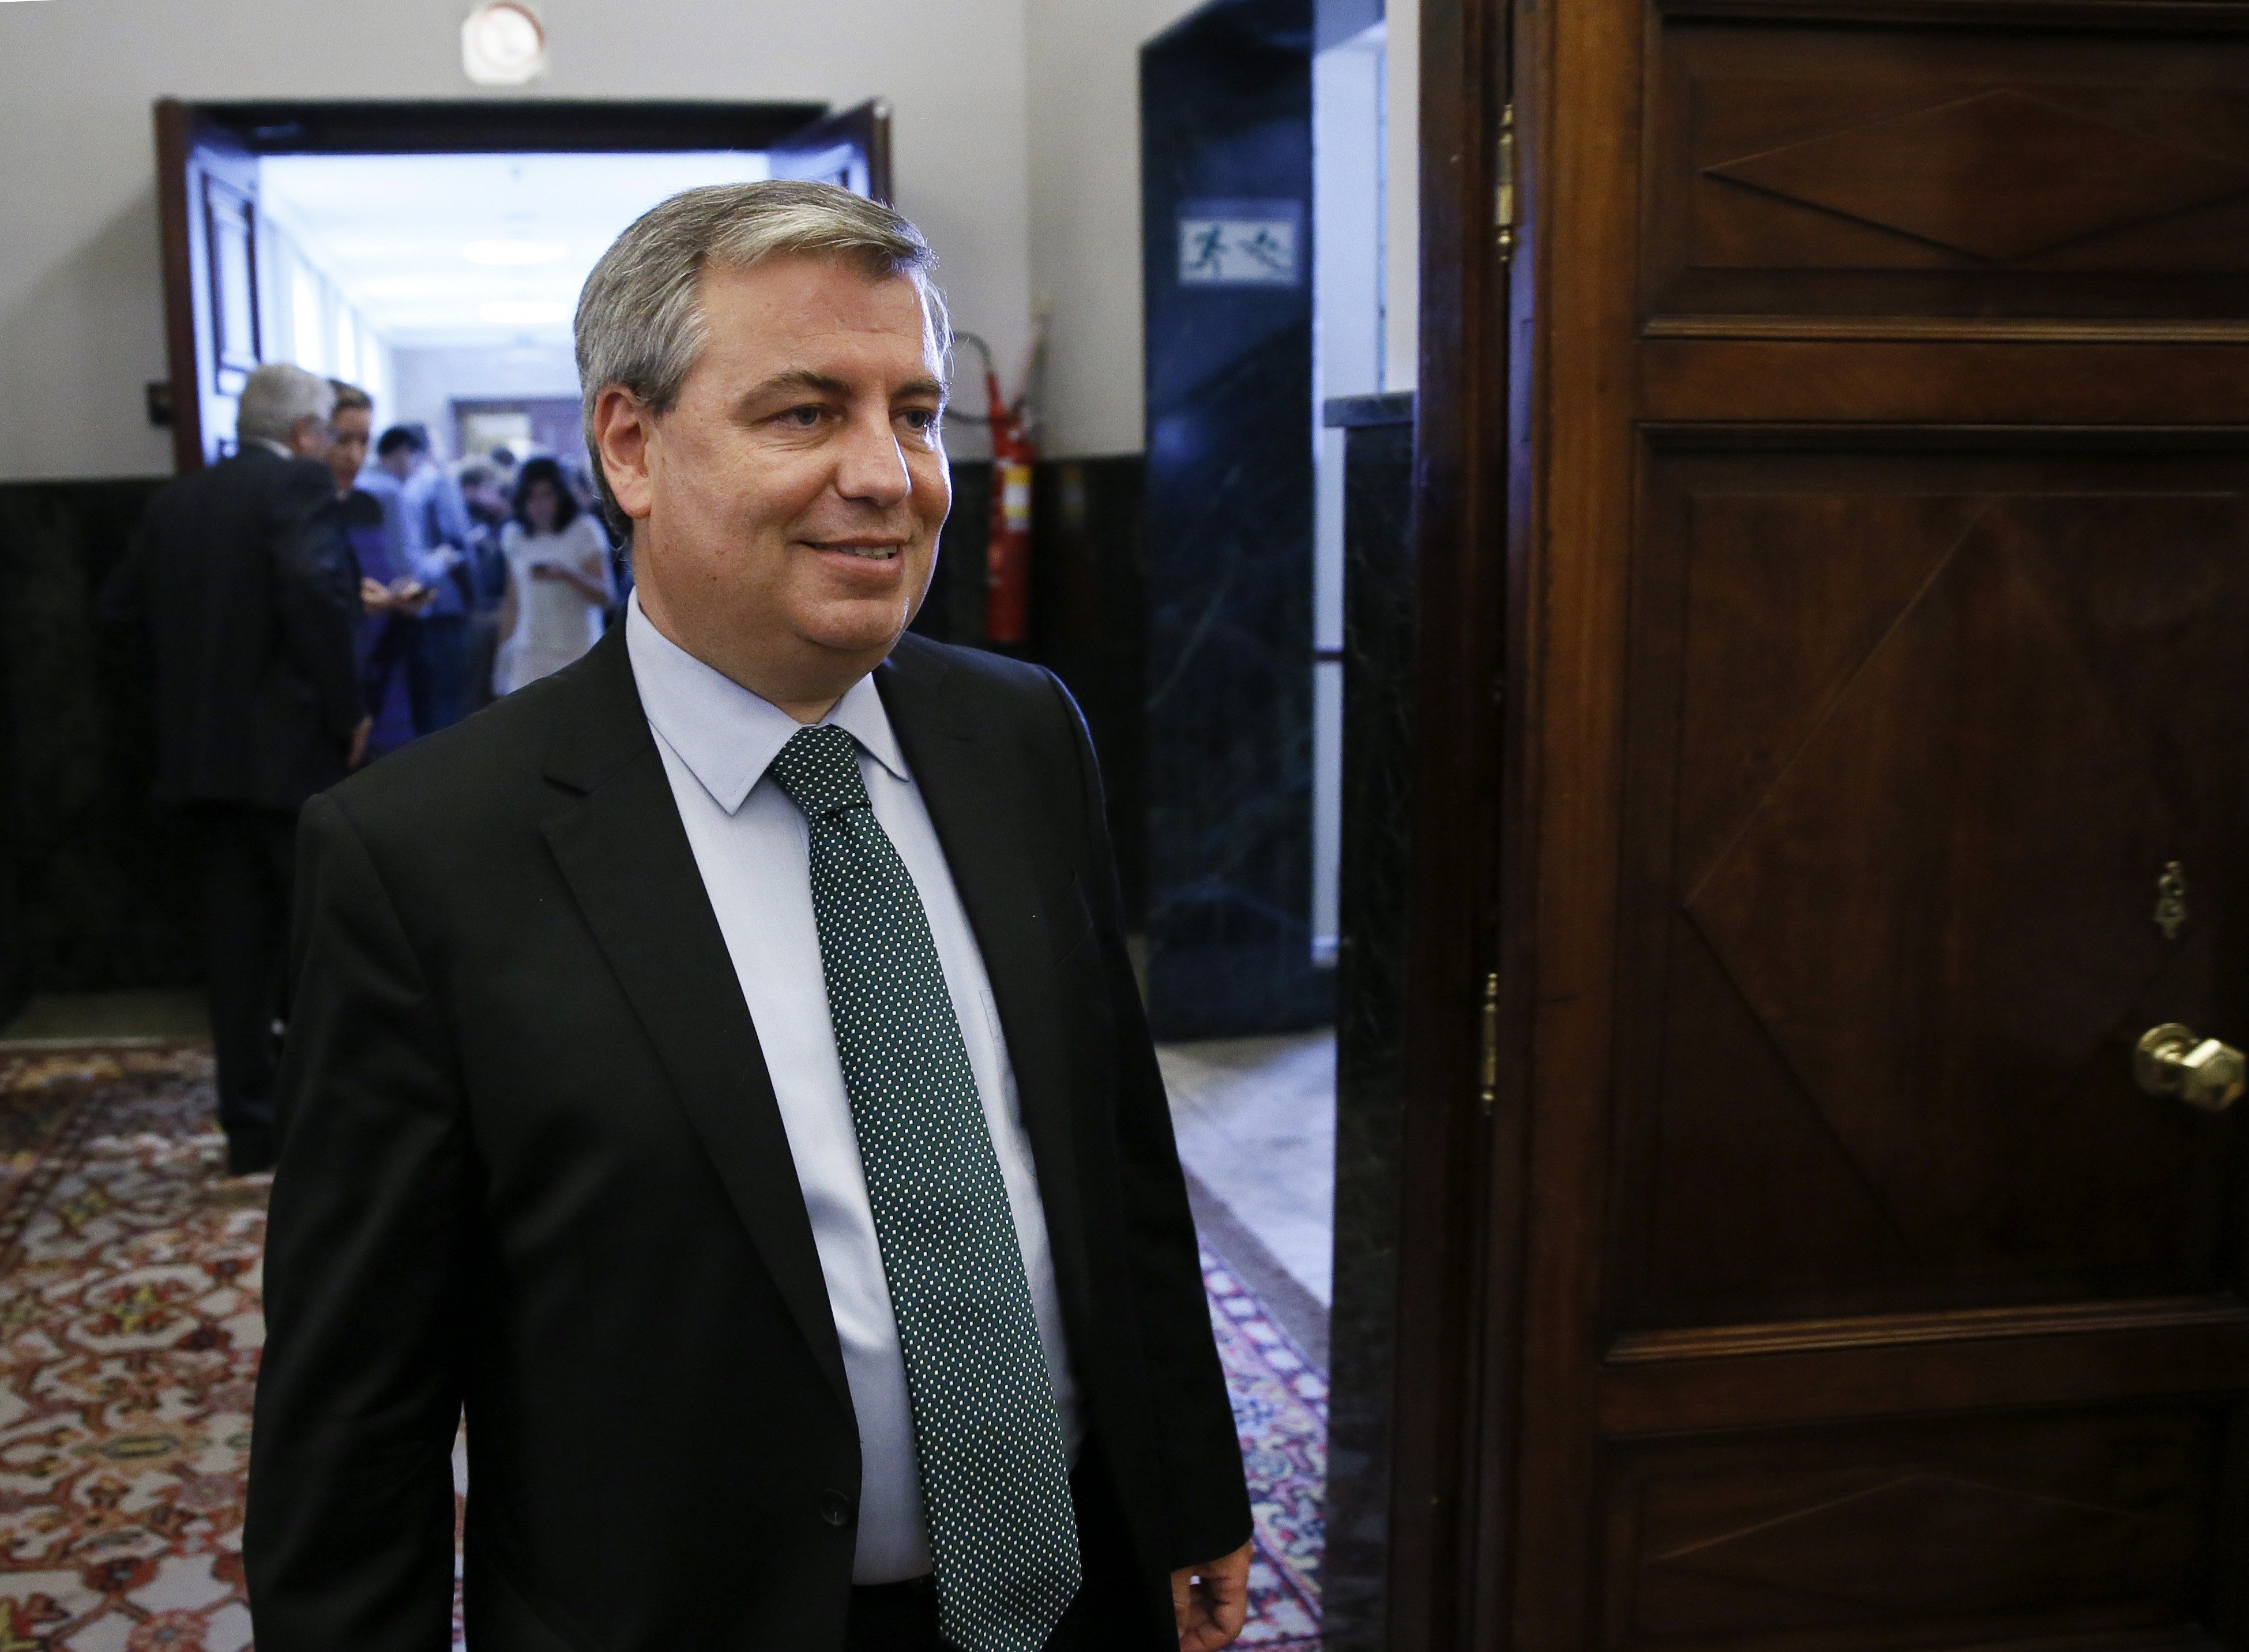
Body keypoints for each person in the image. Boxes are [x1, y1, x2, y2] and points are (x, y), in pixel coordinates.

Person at [247, 182, 1252, 1652]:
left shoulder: (1024, 736)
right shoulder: (423, 854)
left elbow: (1114, 1156)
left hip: (1072, 1591)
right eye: (804, 414)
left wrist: (1190, 1483)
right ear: (631, 446)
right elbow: (356, 1404)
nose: (888, 475)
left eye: (916, 413)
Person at [98, 363, 368, 1175]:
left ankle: (250, 1131)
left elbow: (119, 612)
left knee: (234, 955)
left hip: (201, 764)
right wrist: (346, 711)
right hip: (290, 762)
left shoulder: (176, 501)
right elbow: (314, 595)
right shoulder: (298, 488)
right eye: (328, 431)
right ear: (305, 433)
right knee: (316, 948)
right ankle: (325, 1123)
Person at [325, 385, 425, 759]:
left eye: (364, 441)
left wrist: (403, 596)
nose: (354, 455)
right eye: (342, 440)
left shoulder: (370, 504)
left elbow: (397, 572)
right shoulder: (301, 513)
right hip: (334, 678)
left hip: (384, 663)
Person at [363, 424, 477, 735]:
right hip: (427, 605)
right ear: (405, 453)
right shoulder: (407, 489)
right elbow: (432, 554)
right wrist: (443, 562)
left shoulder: (368, 486)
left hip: (384, 609)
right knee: (441, 706)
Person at [493, 454, 614, 695]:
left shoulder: (584, 531)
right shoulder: (514, 535)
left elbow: (606, 597)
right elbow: (512, 601)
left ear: (561, 495)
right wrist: (502, 656)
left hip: (577, 652)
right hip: (528, 651)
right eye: (532, 496)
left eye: (547, 495)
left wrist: (568, 576)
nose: (539, 504)